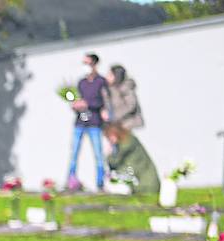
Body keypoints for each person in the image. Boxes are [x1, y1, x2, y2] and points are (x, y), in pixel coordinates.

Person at [67, 52, 109, 191]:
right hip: (80, 122)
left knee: (98, 154)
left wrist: (87, 103)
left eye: (87, 63)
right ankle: (71, 181)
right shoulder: (81, 82)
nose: (85, 66)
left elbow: (103, 102)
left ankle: (100, 183)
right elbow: (77, 99)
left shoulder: (101, 82)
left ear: (94, 64)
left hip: (94, 123)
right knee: (74, 153)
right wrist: (75, 105)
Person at [104, 123, 160, 195]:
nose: (109, 140)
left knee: (112, 180)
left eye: (109, 137)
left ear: (115, 133)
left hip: (145, 185)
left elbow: (114, 162)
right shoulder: (129, 140)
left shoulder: (126, 144)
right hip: (148, 182)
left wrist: (109, 153)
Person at [105, 64, 143, 134]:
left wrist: (113, 116)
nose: (107, 77)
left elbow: (130, 106)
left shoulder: (125, 88)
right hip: (118, 126)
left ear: (116, 76)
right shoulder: (110, 88)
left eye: (110, 75)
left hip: (130, 124)